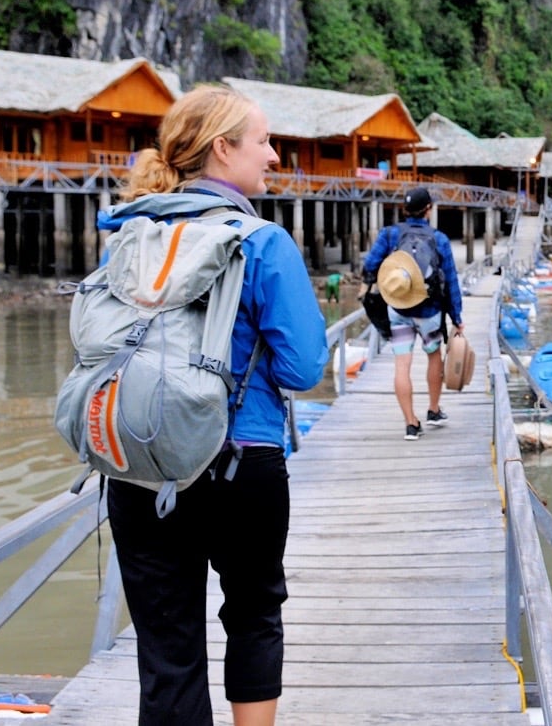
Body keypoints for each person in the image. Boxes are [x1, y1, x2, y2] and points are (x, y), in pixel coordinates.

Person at [102, 84, 327, 726]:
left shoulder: (128, 237)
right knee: (253, 614)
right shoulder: (261, 242)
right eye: (262, 141)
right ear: (223, 149)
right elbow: (305, 367)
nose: (275, 155)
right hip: (240, 459)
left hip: (139, 461)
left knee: (166, 642)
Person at [359, 186, 464, 440]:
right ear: (429, 209)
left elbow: (369, 266)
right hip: (429, 310)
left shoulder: (390, 234)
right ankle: (434, 409)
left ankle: (410, 424)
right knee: (433, 357)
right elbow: (450, 281)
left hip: (398, 308)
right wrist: (457, 318)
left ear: (404, 209)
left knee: (401, 366)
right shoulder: (438, 239)